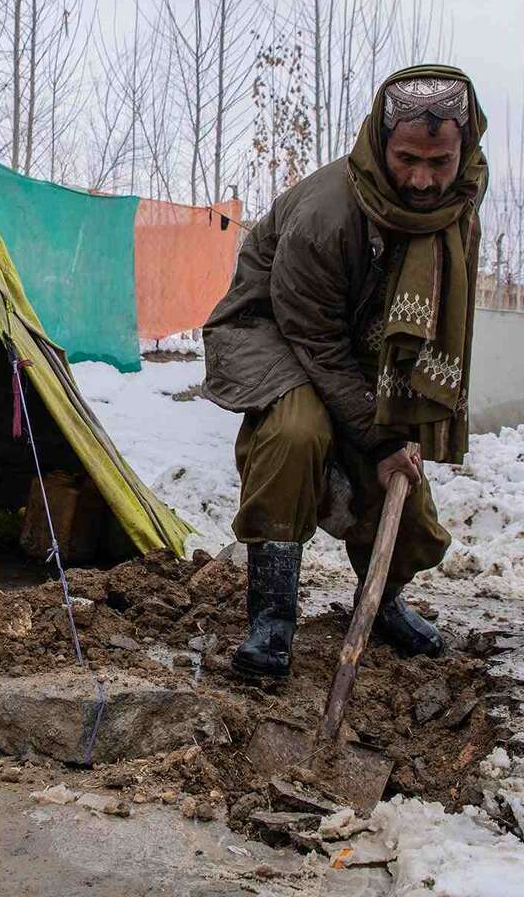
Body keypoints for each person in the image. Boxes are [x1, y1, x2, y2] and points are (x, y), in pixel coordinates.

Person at [202, 65, 488, 679]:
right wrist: (376, 437)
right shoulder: (328, 211)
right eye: (407, 159)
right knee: (297, 433)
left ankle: (381, 600)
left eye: (439, 162)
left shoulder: (458, 206)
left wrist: (398, 431)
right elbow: (314, 337)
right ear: (380, 142)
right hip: (273, 331)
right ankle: (271, 619)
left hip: (362, 345)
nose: (422, 179)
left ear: (464, 150)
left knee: (400, 474)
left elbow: (440, 319)